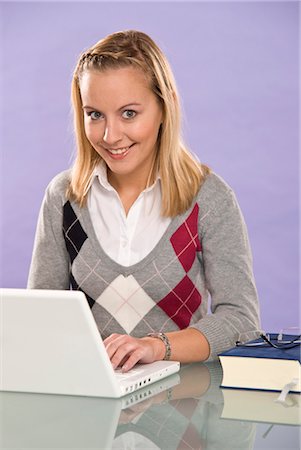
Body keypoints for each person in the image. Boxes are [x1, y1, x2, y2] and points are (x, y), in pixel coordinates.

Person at [27, 30, 260, 372]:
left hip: (185, 408)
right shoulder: (64, 198)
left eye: (129, 114)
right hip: (89, 406)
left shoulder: (208, 197)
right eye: (95, 115)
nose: (110, 136)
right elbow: (40, 317)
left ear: (165, 107)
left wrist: (155, 347)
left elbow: (241, 321)